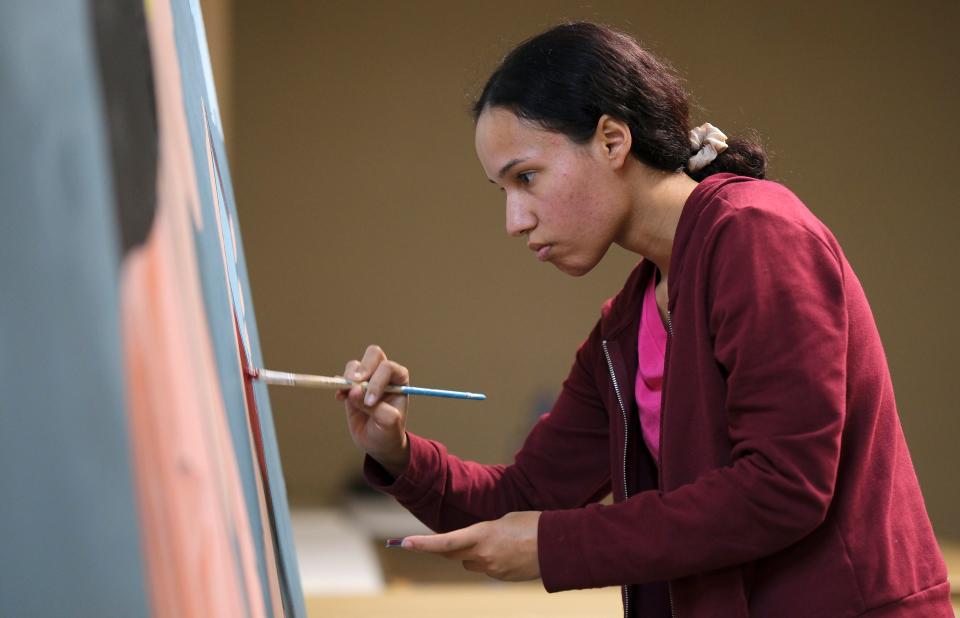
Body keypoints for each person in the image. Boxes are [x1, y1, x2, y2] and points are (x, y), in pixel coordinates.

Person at [335, 22, 952, 617]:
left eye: (527, 177)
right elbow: (522, 499)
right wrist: (397, 453)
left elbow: (783, 488)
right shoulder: (627, 324)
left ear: (612, 140)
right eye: (504, 191)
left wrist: (556, 547)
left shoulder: (756, 235)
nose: (515, 220)